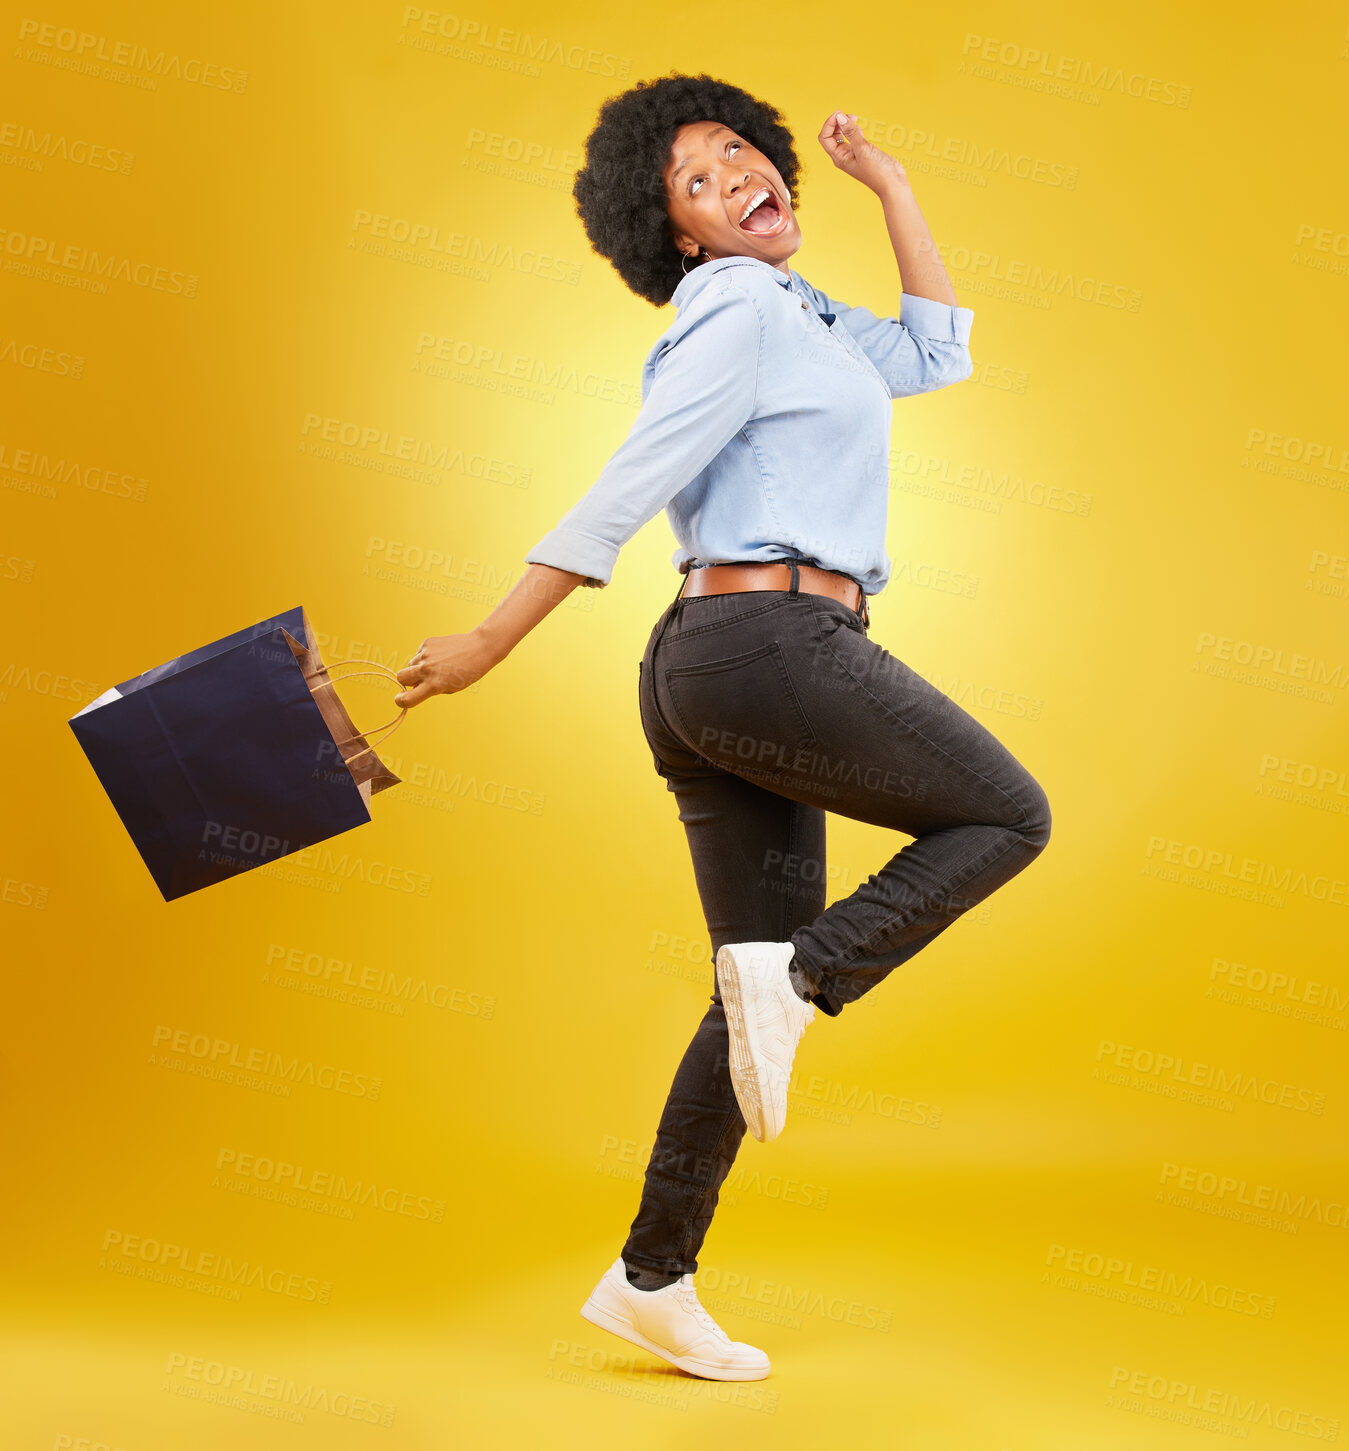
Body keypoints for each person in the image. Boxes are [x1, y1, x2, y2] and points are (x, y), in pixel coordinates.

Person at [393, 73, 1052, 1382]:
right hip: (767, 649)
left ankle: (652, 1276)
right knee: (1002, 815)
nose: (737, 175)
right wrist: (488, 638)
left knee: (742, 1000)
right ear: (680, 238)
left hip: (726, 671)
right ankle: (807, 978)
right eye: (695, 180)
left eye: (740, 153)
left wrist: (894, 188)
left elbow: (934, 353)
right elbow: (630, 478)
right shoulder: (735, 307)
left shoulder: (799, 311)